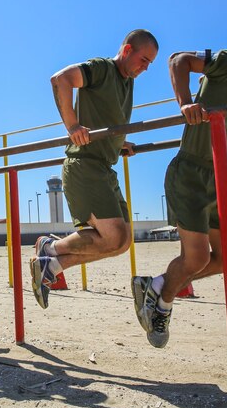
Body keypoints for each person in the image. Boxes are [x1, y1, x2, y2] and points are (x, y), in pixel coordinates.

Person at [132, 25, 227, 348]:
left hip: (215, 173)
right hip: (189, 171)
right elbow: (178, 60)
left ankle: (158, 290)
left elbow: (221, 100)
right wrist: (186, 103)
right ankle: (160, 299)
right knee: (197, 257)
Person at [31, 29, 159, 309]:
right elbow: (60, 79)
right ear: (127, 50)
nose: (146, 67)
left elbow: (105, 115)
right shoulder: (102, 68)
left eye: (150, 63)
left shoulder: (127, 83)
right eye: (144, 59)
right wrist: (72, 126)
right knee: (111, 235)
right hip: (84, 164)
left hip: (104, 166)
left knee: (121, 241)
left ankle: (51, 267)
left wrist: (119, 141)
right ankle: (49, 248)